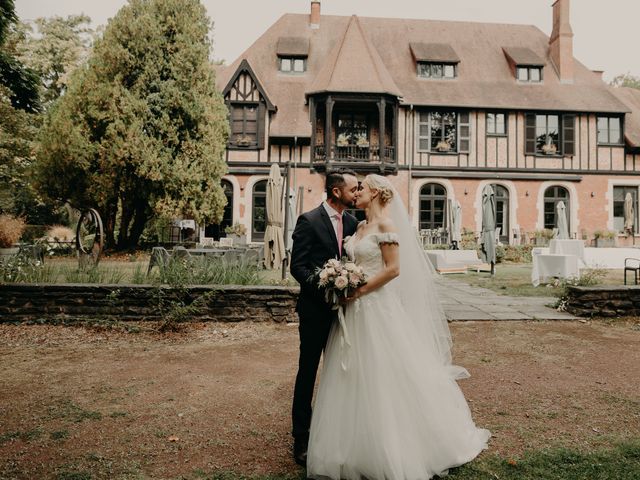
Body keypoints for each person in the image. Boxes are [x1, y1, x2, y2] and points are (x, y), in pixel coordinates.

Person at [306, 174, 490, 480]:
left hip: (378, 308)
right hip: (353, 313)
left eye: (362, 187)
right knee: (352, 375)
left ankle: (395, 445)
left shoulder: (386, 226)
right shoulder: (360, 226)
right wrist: (340, 279)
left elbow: (393, 269)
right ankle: (352, 447)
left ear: (377, 193)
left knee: (384, 374)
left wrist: (359, 290)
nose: (357, 192)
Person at [289, 168, 360, 467]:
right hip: (316, 310)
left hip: (349, 312)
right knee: (308, 371)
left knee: (342, 373)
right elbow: (298, 266)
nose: (357, 193)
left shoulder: (353, 222)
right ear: (335, 191)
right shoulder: (309, 220)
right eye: (353, 189)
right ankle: (301, 437)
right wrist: (325, 286)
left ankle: (336, 432)